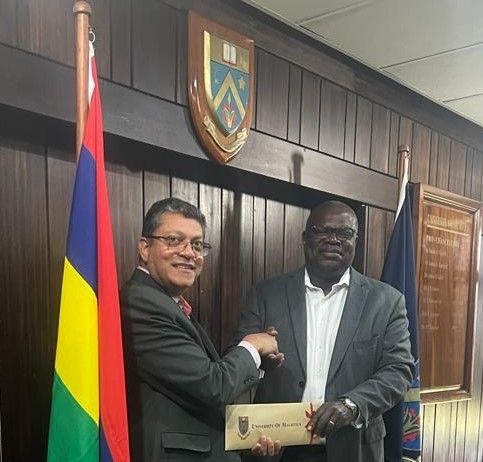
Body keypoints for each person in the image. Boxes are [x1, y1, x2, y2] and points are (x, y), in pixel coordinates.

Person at [231, 200, 415, 462]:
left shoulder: (387, 301)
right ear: (305, 238)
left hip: (353, 447)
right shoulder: (266, 294)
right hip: (278, 448)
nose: (333, 240)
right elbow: (237, 360)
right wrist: (261, 365)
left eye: (344, 233)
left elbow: (399, 370)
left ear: (356, 240)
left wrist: (352, 405)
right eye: (322, 231)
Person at [121, 198, 282, 462]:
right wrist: (252, 346)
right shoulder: (141, 302)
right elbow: (213, 386)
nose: (188, 253)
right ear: (145, 248)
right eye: (174, 240)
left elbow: (195, 389)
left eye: (197, 245)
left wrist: (259, 361)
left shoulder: (168, 302)